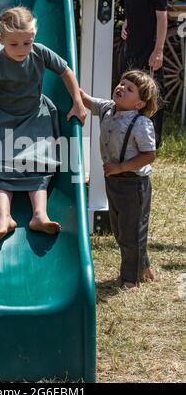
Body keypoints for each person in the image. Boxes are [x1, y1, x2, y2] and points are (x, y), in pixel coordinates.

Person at [0, 6, 86, 241]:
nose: (22, 49)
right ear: (0, 39)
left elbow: (66, 71)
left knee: (39, 162)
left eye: (27, 43)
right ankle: (4, 218)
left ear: (34, 38)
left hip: (35, 117)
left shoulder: (40, 53)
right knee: (1, 167)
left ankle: (39, 215)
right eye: (14, 44)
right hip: (3, 120)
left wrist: (78, 101)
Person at [80, 70, 158, 290]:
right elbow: (86, 100)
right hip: (113, 180)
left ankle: (130, 279)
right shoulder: (107, 108)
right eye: (122, 83)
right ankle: (143, 266)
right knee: (120, 228)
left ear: (139, 104)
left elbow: (149, 155)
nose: (121, 87)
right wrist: (66, 77)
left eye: (129, 88)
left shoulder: (141, 124)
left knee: (130, 231)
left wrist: (120, 167)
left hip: (133, 183)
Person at [120, 0, 169, 149]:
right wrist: (126, 23)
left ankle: (152, 142)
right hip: (132, 45)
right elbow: (133, 10)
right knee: (132, 91)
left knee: (150, 94)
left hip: (148, 48)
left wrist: (158, 50)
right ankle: (133, 137)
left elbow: (162, 17)